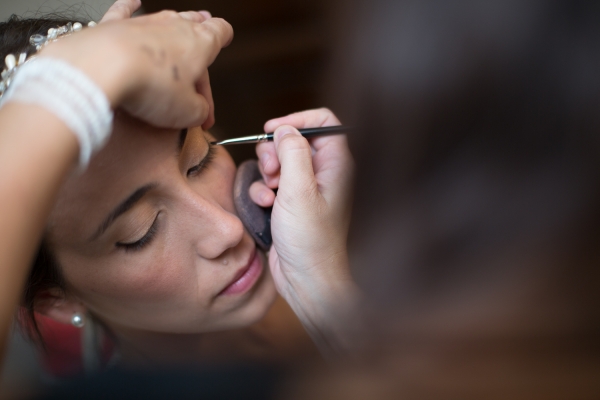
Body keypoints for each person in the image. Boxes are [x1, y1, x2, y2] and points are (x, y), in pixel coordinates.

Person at [0, 0, 357, 377]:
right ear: (55, 300)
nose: (228, 230)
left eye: (199, 159)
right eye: (142, 231)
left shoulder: (357, 261)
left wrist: (325, 286)